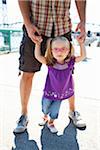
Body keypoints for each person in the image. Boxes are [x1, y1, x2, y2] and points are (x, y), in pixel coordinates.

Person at [14, 0, 86, 133]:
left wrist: (83, 20)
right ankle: (23, 114)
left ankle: (72, 111)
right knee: (27, 72)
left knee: (68, 72)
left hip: (62, 27)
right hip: (36, 27)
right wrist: (28, 24)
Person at [34, 36, 86, 133]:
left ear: (69, 50)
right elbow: (38, 57)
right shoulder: (50, 62)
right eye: (56, 49)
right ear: (51, 50)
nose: (59, 52)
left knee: (55, 111)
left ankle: (51, 122)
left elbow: (82, 56)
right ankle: (45, 116)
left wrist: (81, 44)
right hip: (49, 92)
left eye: (63, 49)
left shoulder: (70, 62)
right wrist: (38, 44)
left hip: (60, 94)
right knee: (45, 107)